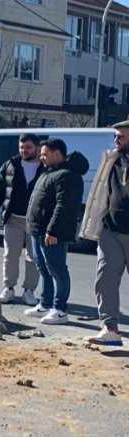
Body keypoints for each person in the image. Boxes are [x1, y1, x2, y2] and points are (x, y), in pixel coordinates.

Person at [24, 139, 88, 326]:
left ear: (57, 153)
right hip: (37, 230)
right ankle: (45, 303)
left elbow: (64, 206)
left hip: (52, 233)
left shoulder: (68, 175)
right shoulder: (49, 172)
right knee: (43, 268)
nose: (41, 158)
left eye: (44, 154)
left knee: (57, 270)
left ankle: (60, 309)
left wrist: (53, 230)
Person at [85, 121, 129, 345]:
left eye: (120, 136)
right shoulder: (112, 159)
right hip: (111, 229)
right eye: (115, 136)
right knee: (105, 279)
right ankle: (110, 328)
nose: (116, 140)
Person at [0, 133, 43, 305]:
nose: (24, 150)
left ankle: (29, 290)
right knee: (10, 255)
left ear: (37, 148)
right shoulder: (10, 165)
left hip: (35, 220)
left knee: (33, 257)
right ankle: (8, 287)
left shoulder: (45, 166)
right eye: (21, 147)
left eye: (28, 147)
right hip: (13, 218)